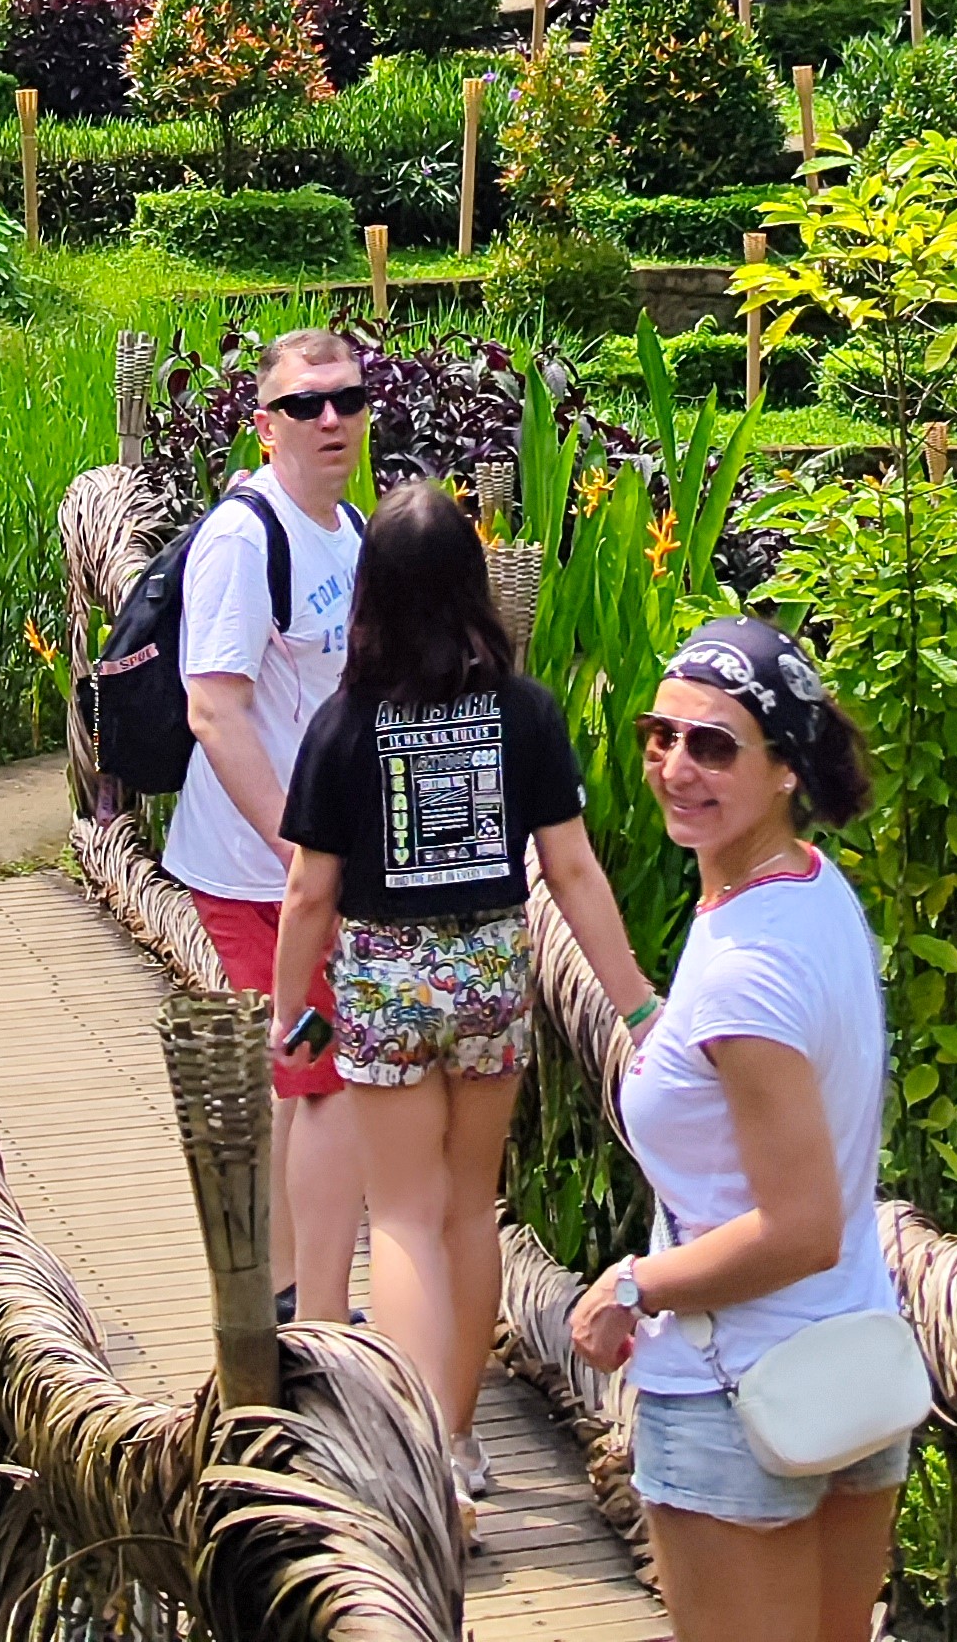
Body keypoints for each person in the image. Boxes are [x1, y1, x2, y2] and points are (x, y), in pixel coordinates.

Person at [272, 478, 657, 1538]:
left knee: (397, 1215)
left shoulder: (346, 724)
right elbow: (570, 870)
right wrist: (635, 1004)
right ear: (472, 586)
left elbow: (308, 893)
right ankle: (457, 1433)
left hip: (386, 982)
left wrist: (288, 1010)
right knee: (466, 1208)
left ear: (373, 595)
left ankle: (416, 1459)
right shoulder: (523, 713)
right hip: (490, 974)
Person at [566, 617, 904, 1642]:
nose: (677, 767)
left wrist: (631, 1286)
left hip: (736, 1399)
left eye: (714, 746)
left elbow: (800, 1227)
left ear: (785, 768)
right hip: (850, 1366)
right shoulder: (812, 891)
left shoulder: (746, 971)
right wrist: (654, 1024)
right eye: (659, 735)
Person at [162, 324, 369, 1322]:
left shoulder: (351, 528)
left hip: (318, 867)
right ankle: (308, 1308)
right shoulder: (246, 538)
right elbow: (215, 709)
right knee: (320, 1075)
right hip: (260, 874)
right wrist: (302, 854)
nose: (330, 419)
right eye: (303, 404)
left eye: (347, 399)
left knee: (308, 1071)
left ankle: (292, 1293)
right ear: (265, 424)